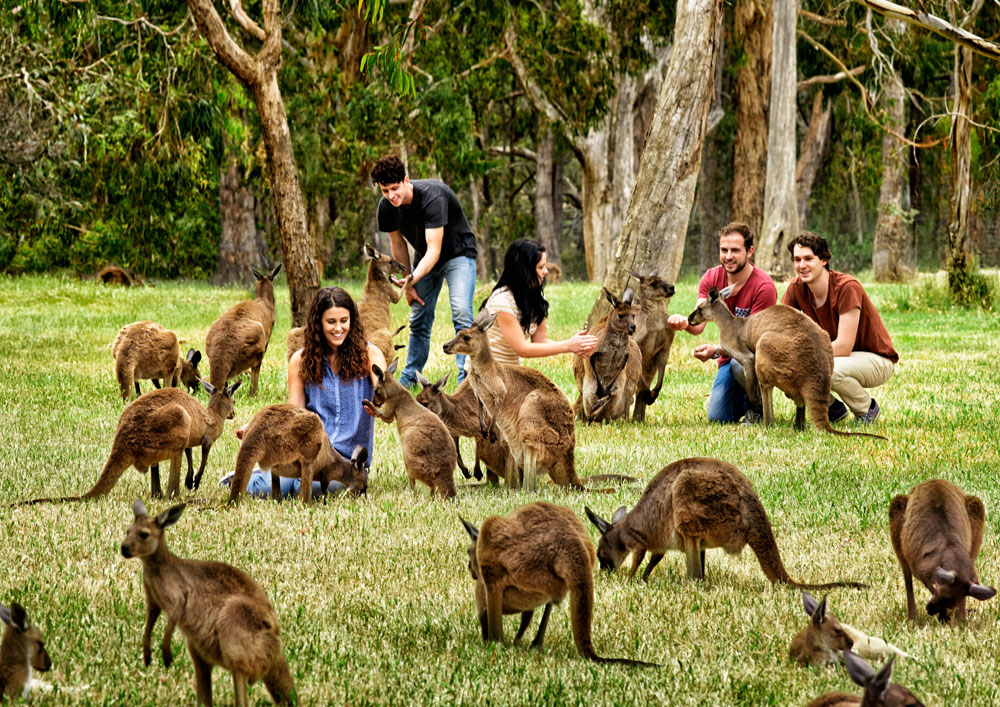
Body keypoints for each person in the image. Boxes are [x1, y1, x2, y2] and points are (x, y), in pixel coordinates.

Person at [227, 286, 387, 497]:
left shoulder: (371, 354)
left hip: (347, 462)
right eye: (331, 322)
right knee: (272, 489)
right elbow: (294, 414)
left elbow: (385, 393)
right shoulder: (301, 360)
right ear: (318, 323)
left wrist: (381, 404)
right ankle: (243, 477)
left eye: (344, 321)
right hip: (306, 453)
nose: (338, 328)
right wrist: (256, 426)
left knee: (315, 489)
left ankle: (276, 479)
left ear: (352, 321)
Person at [372, 155, 478, 388]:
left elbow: (435, 249)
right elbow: (398, 245)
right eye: (384, 191)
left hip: (457, 254)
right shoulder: (386, 207)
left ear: (406, 180)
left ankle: (466, 381)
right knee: (418, 318)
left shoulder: (432, 196)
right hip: (424, 259)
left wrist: (412, 279)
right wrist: (407, 282)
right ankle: (409, 379)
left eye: (394, 188)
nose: (391, 196)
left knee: (461, 313)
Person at [781, 232, 897, 424]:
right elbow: (780, 325)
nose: (802, 265)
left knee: (825, 370)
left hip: (876, 359)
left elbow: (844, 346)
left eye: (809, 258)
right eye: (797, 259)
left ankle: (866, 409)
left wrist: (802, 356)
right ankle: (832, 409)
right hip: (838, 357)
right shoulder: (796, 288)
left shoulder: (846, 287)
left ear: (824, 260)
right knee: (787, 369)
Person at [667, 222, 777, 424]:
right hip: (729, 358)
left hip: (755, 356)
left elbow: (755, 345)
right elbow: (698, 324)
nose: (728, 256)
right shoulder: (712, 278)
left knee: (740, 363)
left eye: (735, 250)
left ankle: (757, 407)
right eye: (723, 250)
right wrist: (684, 323)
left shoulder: (763, 287)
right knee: (718, 417)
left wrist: (717, 350)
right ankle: (744, 399)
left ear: (749, 251)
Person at [474, 239, 597, 366]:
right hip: (486, 373)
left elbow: (540, 341)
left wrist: (576, 346)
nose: (546, 271)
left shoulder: (536, 295)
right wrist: (568, 346)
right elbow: (523, 349)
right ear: (524, 270)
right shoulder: (502, 302)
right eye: (540, 267)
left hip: (510, 373)